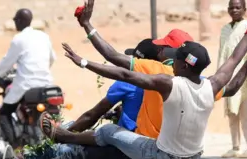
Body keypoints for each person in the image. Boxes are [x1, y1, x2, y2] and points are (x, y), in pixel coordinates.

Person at [1, 2, 247, 159]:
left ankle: (60, 138)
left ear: (180, 63)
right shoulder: (209, 85)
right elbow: (233, 63)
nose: (172, 60)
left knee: (106, 135)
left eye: (176, 57)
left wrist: (84, 56)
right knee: (105, 140)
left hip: (160, 155)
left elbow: (121, 71)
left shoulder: (168, 82)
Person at [0, 38, 159, 159]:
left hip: (128, 146)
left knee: (59, 150)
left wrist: (64, 134)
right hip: (150, 144)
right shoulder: (168, 80)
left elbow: (91, 116)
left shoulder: (128, 81)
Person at [74, 0, 194, 140]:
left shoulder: (153, 71)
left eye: (163, 47)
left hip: (143, 146)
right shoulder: (197, 80)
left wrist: (87, 27)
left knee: (100, 137)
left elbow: (112, 56)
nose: (160, 50)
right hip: (177, 144)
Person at [0, 9, 57, 149]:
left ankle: (16, 148)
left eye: (15, 21)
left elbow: (7, 63)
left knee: (3, 113)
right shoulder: (43, 36)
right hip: (46, 84)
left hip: (26, 85)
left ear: (19, 21)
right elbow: (52, 59)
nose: (14, 23)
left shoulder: (18, 39)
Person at [218, 0, 247, 158]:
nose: (234, 10)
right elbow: (221, 54)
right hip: (226, 77)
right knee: (231, 113)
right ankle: (235, 147)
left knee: (245, 112)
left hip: (243, 77)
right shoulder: (224, 29)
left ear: (244, 9)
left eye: (238, 7)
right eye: (231, 7)